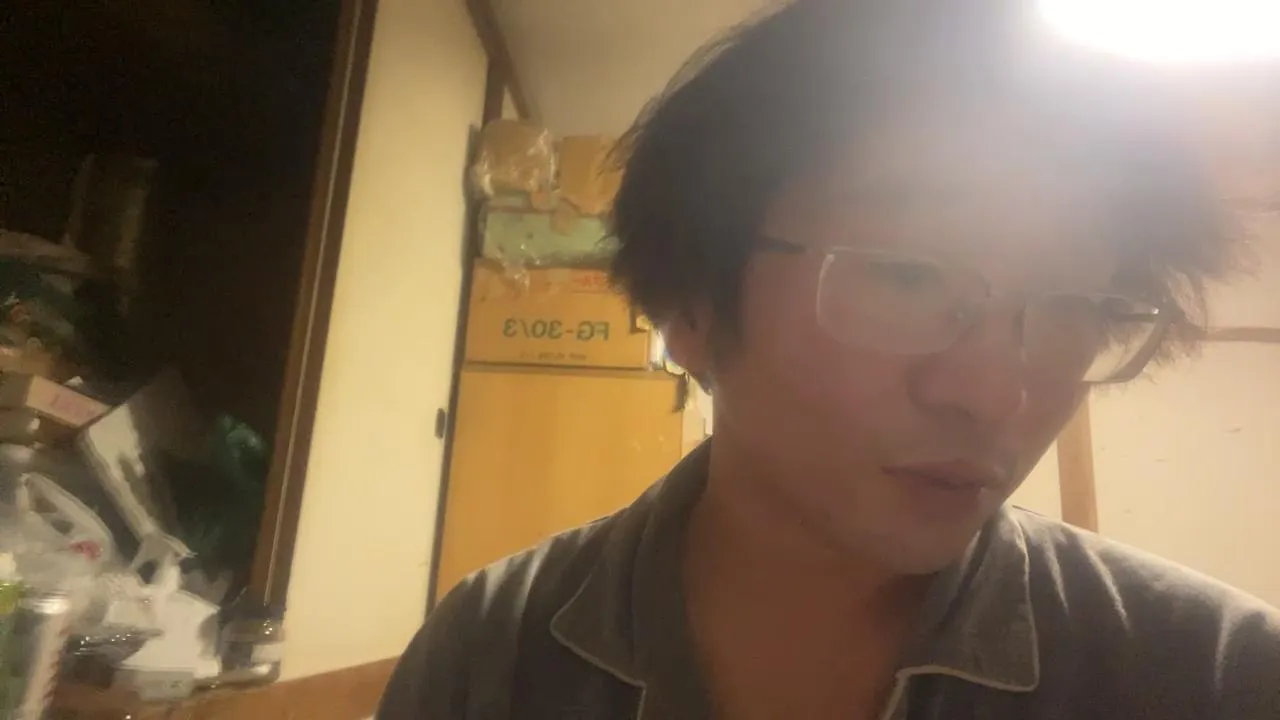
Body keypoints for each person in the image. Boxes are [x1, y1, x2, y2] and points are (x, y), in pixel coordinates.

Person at [379, 1, 1280, 718]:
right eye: (906, 277)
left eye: (1071, 308)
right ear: (692, 310)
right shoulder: (491, 655)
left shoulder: (1216, 673)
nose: (996, 395)